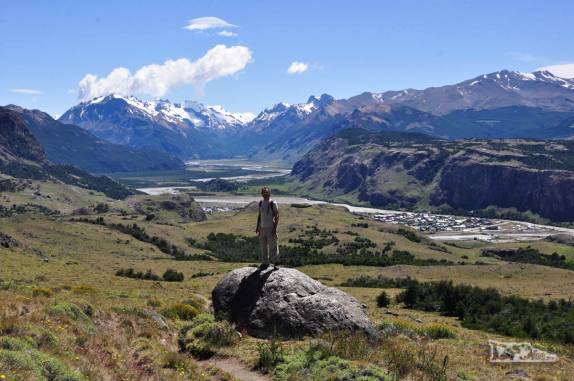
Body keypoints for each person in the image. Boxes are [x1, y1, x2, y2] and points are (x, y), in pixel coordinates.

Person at [255, 186, 279, 269]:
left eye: (267, 192)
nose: (265, 194)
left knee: (273, 246)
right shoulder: (261, 203)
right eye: (264, 193)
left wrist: (274, 230)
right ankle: (265, 263)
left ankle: (275, 263)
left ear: (269, 193)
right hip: (262, 228)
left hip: (270, 228)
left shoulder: (273, 203)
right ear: (262, 194)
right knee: (263, 246)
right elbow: (259, 215)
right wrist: (257, 227)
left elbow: (277, 216)